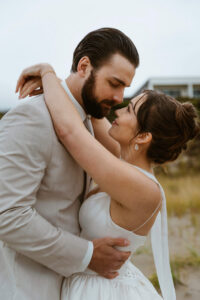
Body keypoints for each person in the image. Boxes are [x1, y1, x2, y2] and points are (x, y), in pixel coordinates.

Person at [16, 63, 200, 300]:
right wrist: (61, 82)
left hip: (104, 290)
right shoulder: (121, 161)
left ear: (143, 137)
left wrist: (46, 71)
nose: (119, 110)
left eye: (130, 110)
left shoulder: (144, 188)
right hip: (84, 280)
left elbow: (70, 131)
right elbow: (89, 111)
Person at [0, 28, 139, 300]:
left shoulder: (86, 122)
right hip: (26, 288)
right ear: (84, 66)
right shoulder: (32, 117)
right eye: (114, 83)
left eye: (125, 87)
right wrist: (87, 255)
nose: (120, 97)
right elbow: (7, 214)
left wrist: (49, 75)